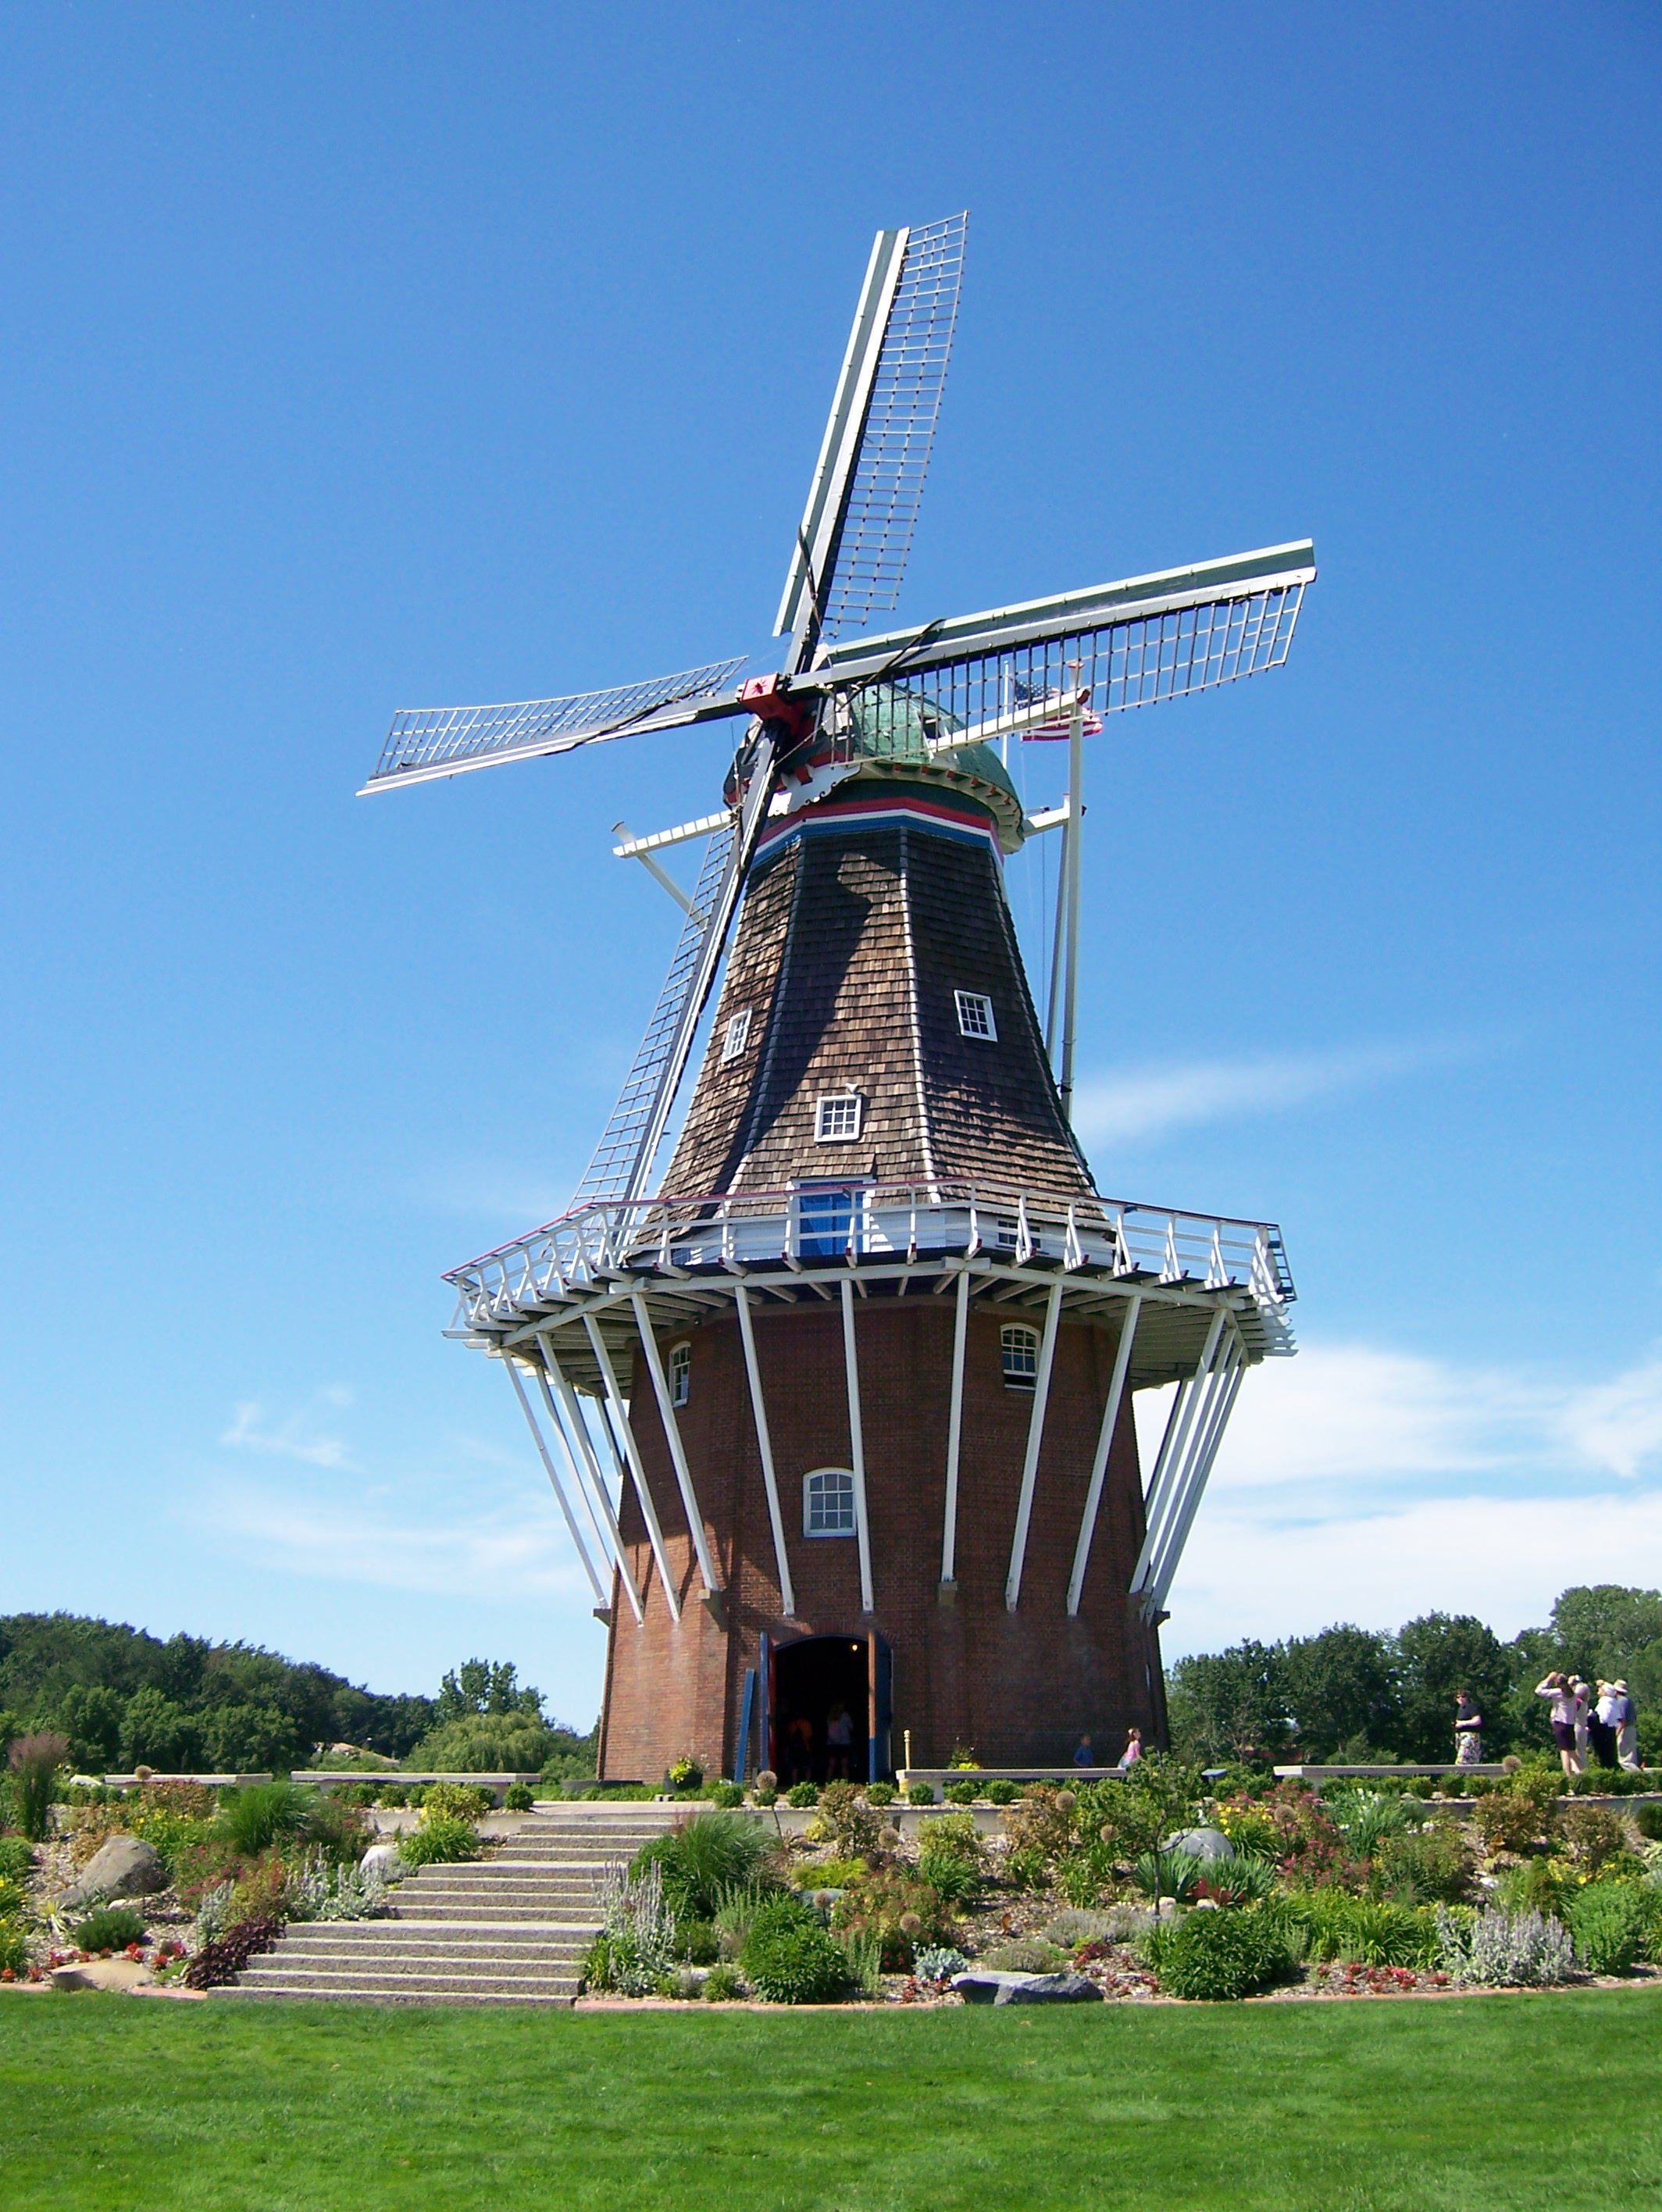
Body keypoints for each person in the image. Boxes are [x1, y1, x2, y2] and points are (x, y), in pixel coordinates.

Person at [1535, 1671, 1584, 1777]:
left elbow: (1538, 1691)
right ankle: (1585, 1774)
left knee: (1564, 1752)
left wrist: (1549, 1679)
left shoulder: (1558, 1692)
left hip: (1560, 1724)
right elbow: (1569, 1685)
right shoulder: (1573, 1693)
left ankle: (1568, 1775)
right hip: (1570, 1725)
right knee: (1572, 1752)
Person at [1590, 1681, 1621, 1769]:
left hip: (1604, 1732)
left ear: (1605, 1692)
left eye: (1600, 1689)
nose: (1598, 1690)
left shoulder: (1605, 1702)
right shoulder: (1613, 1702)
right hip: (1611, 1730)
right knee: (1611, 1755)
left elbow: (1603, 1719)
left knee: (1604, 1756)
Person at [1614, 1681, 1641, 1771]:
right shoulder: (1627, 1701)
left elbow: (1622, 1721)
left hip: (1625, 1730)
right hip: (1631, 1729)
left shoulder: (1622, 1702)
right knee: (1631, 1757)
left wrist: (1616, 1734)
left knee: (1625, 1759)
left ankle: (1637, 1776)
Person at [1453, 1689, 1484, 1768]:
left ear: (1467, 1698)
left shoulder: (1471, 1707)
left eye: (1463, 1696)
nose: (1460, 1699)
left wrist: (1463, 1723)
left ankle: (1459, 1774)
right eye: (1458, 1697)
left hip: (1470, 1736)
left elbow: (1477, 1720)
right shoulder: (1459, 1710)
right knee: (1471, 1761)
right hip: (1460, 1736)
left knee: (1462, 1759)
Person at [825, 1701, 854, 1780]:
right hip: (844, 1743)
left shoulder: (830, 1717)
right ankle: (846, 1782)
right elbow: (851, 1727)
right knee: (844, 1765)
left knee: (831, 1765)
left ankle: (828, 1782)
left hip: (832, 1743)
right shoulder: (845, 1716)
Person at [1571, 1679, 1592, 1766]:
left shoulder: (1578, 1702)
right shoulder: (1584, 1703)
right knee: (1582, 1752)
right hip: (1583, 1728)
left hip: (1577, 1727)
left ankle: (1579, 1771)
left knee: (1577, 1753)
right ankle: (1583, 1769)